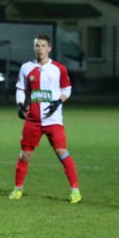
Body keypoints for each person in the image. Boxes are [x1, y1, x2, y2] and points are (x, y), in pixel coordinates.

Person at [9, 34, 82, 204]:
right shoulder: (26, 68)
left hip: (53, 120)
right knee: (25, 155)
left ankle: (75, 190)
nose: (40, 49)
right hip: (32, 120)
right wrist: (20, 105)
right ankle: (18, 189)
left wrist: (58, 102)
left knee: (61, 152)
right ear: (34, 48)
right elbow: (20, 88)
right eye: (37, 46)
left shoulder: (58, 68)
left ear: (49, 48)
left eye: (43, 46)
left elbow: (67, 89)